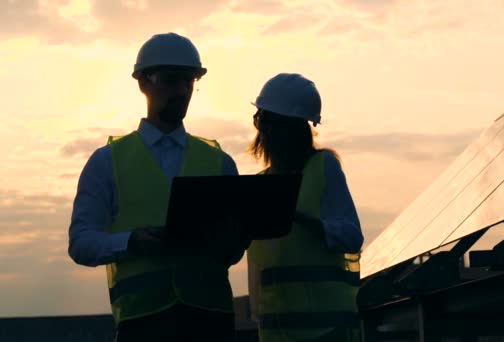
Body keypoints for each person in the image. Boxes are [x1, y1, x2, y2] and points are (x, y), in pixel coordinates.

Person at [68, 32, 248, 341]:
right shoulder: (106, 162)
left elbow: (231, 252)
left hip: (209, 320)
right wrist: (131, 241)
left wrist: (232, 241)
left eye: (188, 81)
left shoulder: (221, 163)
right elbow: (81, 243)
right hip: (143, 322)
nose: (181, 90)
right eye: (170, 80)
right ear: (143, 83)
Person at [247, 73, 364, 341]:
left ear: (296, 128)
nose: (265, 130)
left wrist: (306, 221)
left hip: (327, 329)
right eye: (261, 120)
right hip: (277, 332)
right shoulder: (259, 187)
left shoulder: (323, 168)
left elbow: (351, 236)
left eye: (272, 122)